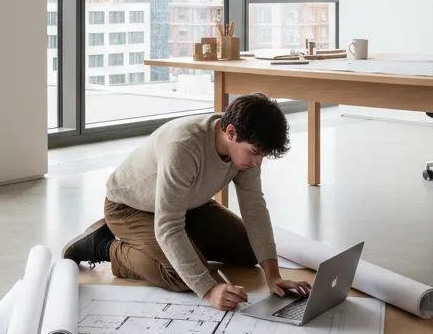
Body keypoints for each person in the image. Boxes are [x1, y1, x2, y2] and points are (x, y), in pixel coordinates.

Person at [62, 93, 311, 312]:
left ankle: (172, 247)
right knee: (182, 277)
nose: (258, 163)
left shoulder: (245, 149)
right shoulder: (184, 146)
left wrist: (273, 275)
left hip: (187, 205)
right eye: (255, 153)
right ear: (231, 132)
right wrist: (209, 290)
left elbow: (254, 208)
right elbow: (168, 227)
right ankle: (104, 246)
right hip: (129, 208)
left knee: (250, 251)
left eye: (262, 155)